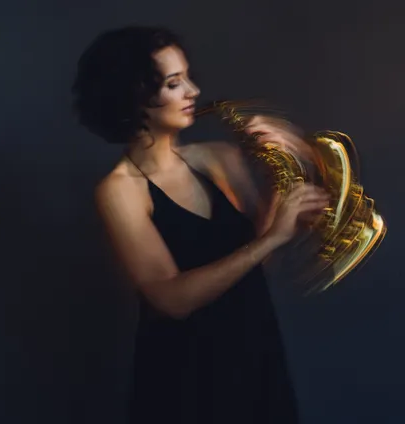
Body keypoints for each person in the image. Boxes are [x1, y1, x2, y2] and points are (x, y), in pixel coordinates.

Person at [72, 26, 330, 424]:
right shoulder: (120, 190)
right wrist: (271, 239)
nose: (193, 91)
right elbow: (171, 300)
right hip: (187, 374)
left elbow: (257, 263)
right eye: (174, 83)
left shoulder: (218, 158)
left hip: (254, 352)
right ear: (135, 96)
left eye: (188, 77)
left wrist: (286, 173)